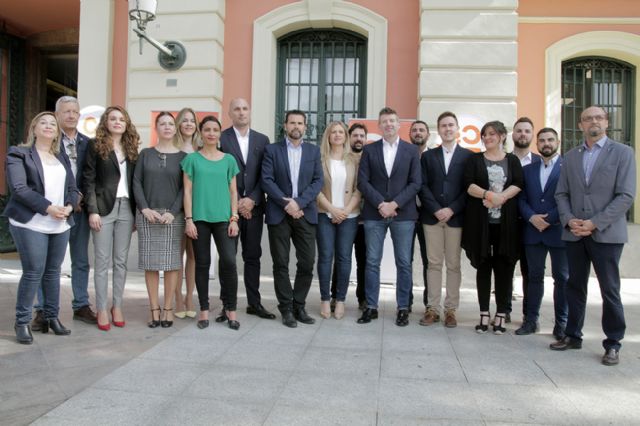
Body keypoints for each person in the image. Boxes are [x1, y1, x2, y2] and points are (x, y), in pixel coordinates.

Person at [551, 106, 636, 366]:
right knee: (574, 286)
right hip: (575, 233)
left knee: (609, 289)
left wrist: (594, 223)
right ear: (580, 125)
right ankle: (573, 335)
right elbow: (561, 194)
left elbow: (625, 196)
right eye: (588, 119)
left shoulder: (623, 153)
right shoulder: (571, 156)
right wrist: (569, 220)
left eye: (598, 118)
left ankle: (613, 343)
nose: (593, 122)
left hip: (606, 234)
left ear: (607, 123)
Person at [5, 112, 78, 344]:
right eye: (43, 123)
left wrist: (68, 206)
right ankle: (23, 321)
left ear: (57, 131)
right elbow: (19, 189)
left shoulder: (61, 157)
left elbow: (73, 188)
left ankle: (51, 317)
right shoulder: (19, 153)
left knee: (53, 272)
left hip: (59, 222)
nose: (49, 126)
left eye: (52, 124)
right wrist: (49, 208)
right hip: (31, 222)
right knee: (34, 271)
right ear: (34, 128)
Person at [31, 96, 96, 331]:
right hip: (52, 211)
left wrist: (82, 200)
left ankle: (81, 305)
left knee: (80, 260)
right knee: (47, 263)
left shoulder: (89, 143)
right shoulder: (49, 140)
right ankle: (42, 310)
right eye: (66, 111)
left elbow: (92, 176)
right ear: (57, 114)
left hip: (79, 210)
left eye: (75, 112)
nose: (71, 115)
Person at [356, 107, 421, 326]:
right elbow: (362, 182)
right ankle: (371, 307)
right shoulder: (369, 150)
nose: (389, 124)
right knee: (372, 262)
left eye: (392, 121)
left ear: (399, 124)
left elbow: (415, 183)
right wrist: (381, 204)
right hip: (374, 213)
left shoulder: (411, 151)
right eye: (384, 121)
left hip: (404, 215)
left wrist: (394, 204)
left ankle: (403, 307)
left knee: (404, 262)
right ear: (380, 125)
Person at [261, 109, 323, 328]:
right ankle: (286, 308)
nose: (296, 126)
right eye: (292, 123)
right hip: (279, 214)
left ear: (306, 127)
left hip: (305, 213)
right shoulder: (271, 150)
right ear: (285, 126)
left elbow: (318, 182)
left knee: (307, 262)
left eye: (300, 123)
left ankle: (299, 304)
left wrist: (299, 203)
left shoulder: (313, 151)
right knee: (281, 263)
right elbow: (266, 180)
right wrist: (287, 203)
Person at [462, 120, 523, 334]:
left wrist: (500, 198)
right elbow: (468, 185)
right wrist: (489, 195)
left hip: (505, 226)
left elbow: (518, 183)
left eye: (492, 134)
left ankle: (501, 314)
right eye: (485, 134)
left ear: (502, 136)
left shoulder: (512, 160)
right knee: (484, 268)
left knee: (505, 269)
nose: (488, 138)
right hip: (482, 225)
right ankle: (484, 313)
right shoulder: (474, 159)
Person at [182, 115, 240, 330]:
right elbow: (187, 192)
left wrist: (234, 217)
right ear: (201, 132)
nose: (211, 133)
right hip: (199, 219)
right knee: (202, 264)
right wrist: (189, 220)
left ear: (219, 133)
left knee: (229, 262)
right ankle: (204, 310)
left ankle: (231, 309)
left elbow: (233, 191)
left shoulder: (229, 160)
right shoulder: (192, 160)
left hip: (224, 219)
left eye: (215, 130)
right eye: (207, 129)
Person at [219, 98, 275, 320]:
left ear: (250, 112)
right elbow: (218, 173)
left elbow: (266, 174)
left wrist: (251, 199)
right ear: (230, 113)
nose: (241, 113)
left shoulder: (263, 140)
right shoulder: (222, 138)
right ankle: (227, 305)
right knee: (228, 257)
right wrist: (238, 202)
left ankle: (254, 303)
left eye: (245, 109)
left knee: (252, 256)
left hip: (255, 207)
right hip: (228, 208)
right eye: (237, 109)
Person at [83, 106, 139, 331]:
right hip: (103, 208)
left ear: (127, 123)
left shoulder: (131, 147)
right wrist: (92, 210)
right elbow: (88, 179)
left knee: (121, 260)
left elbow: (135, 181)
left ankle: (117, 306)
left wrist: (136, 212)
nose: (117, 122)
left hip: (127, 208)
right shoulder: (94, 145)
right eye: (113, 118)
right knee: (102, 261)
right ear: (105, 122)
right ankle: (102, 308)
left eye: (121, 119)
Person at [419, 111, 472, 328]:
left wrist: (451, 209)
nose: (447, 129)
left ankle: (451, 310)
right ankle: (432, 308)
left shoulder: (469, 157)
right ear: (438, 129)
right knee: (433, 264)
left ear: (457, 128)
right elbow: (421, 185)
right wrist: (436, 209)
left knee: (453, 265)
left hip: (456, 218)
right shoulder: (428, 156)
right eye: (443, 125)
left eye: (451, 125)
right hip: (431, 218)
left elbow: (468, 188)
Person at [133, 112, 187, 328]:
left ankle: (168, 309)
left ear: (175, 129)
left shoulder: (184, 157)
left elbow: (186, 188)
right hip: (148, 215)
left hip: (173, 216)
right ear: (156, 127)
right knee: (151, 265)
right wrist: (144, 208)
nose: (167, 127)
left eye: (170, 124)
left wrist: (173, 211)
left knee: (173, 264)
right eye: (162, 123)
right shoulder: (145, 154)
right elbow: (136, 182)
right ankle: (153, 308)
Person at [516, 127, 567, 338]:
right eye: (543, 140)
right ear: (537, 144)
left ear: (557, 142)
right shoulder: (528, 170)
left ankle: (561, 324)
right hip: (533, 231)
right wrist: (531, 217)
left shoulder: (567, 168)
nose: (546, 143)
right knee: (533, 277)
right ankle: (531, 320)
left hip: (558, 232)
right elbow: (521, 199)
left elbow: (569, 198)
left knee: (562, 279)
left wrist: (549, 219)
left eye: (550, 140)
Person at [316, 121, 361, 319]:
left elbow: (360, 189)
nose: (337, 135)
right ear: (328, 136)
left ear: (346, 136)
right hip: (324, 213)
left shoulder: (355, 160)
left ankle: (340, 300)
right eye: (333, 132)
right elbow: (315, 188)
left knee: (344, 258)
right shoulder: (319, 159)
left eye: (341, 132)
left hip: (349, 216)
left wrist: (345, 211)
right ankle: (325, 299)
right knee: (325, 257)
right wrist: (332, 209)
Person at [330, 122, 368, 311]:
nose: (358, 138)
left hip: (363, 220)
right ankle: (335, 296)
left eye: (362, 136)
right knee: (341, 258)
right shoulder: (342, 160)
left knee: (364, 260)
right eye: (355, 135)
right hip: (342, 217)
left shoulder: (368, 159)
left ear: (366, 139)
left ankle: (363, 298)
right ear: (348, 137)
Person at [510, 117, 541, 323]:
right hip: (508, 224)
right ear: (513, 134)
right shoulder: (503, 158)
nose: (523, 134)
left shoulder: (540, 161)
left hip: (532, 225)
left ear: (532, 135)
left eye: (527, 131)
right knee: (505, 269)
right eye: (519, 130)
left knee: (530, 272)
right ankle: (504, 311)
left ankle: (530, 315)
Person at [174, 107, 200, 319]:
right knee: (176, 256)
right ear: (179, 124)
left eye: (192, 120)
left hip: (197, 208)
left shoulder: (201, 149)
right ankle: (176, 297)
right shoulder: (172, 148)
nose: (189, 124)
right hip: (176, 209)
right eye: (185, 120)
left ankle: (190, 297)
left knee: (193, 256)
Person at [409, 120, 430, 312]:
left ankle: (428, 302)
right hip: (407, 213)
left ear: (428, 135)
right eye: (414, 130)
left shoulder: (433, 156)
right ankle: (406, 301)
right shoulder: (405, 154)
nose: (418, 133)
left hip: (428, 214)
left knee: (428, 260)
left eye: (421, 130)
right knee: (406, 259)